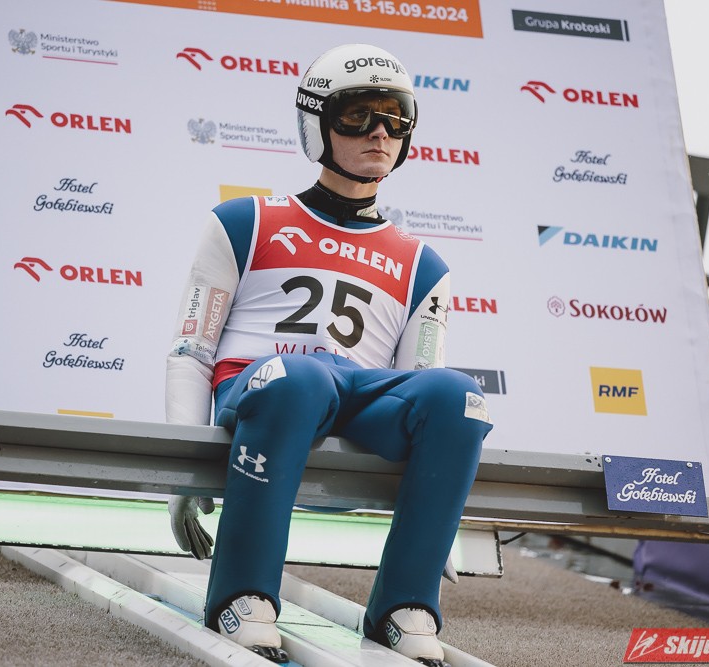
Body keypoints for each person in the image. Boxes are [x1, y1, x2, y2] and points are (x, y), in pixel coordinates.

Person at [164, 44, 492, 665]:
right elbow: (191, 349)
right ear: (317, 124)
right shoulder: (244, 220)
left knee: (460, 397)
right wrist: (181, 469)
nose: (379, 132)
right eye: (357, 115)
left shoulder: (424, 264)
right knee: (300, 378)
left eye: (395, 117)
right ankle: (242, 595)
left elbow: (420, 385)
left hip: (359, 396)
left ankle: (405, 604)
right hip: (265, 384)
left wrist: (438, 523)